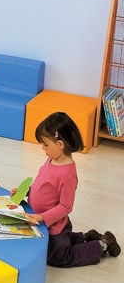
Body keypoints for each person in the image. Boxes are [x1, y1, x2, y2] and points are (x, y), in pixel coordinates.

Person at [15, 112, 120, 267]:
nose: (42, 147)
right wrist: (26, 191)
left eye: (45, 144)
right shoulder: (51, 159)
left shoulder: (67, 174)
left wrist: (41, 217)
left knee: (59, 256)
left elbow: (66, 206)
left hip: (54, 227)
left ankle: (102, 245)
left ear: (60, 144)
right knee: (61, 243)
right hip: (42, 221)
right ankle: (85, 237)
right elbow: (43, 186)